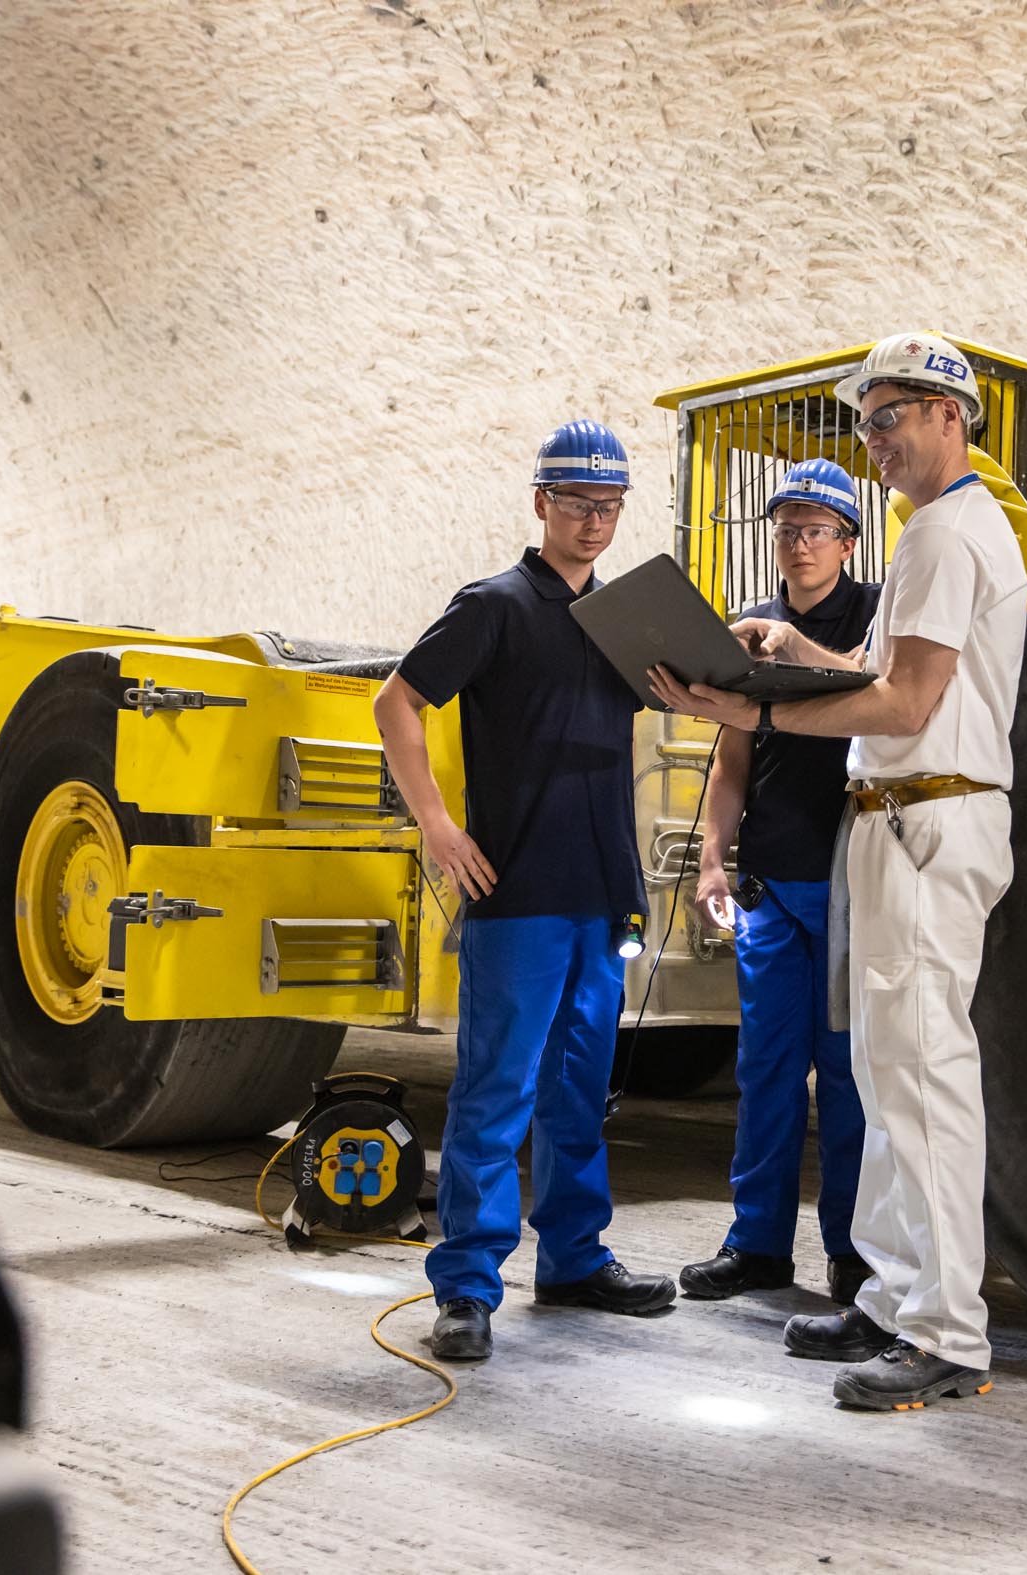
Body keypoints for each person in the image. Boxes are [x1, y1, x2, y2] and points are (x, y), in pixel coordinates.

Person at [649, 333, 1026, 1411]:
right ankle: (893, 1297)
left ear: (953, 416)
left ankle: (947, 1336)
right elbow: (888, 671)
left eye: (892, 413)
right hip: (894, 821)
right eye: (865, 421)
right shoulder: (931, 535)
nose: (875, 438)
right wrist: (799, 659)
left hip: (927, 818)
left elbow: (907, 707)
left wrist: (750, 707)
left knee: (920, 1083)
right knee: (883, 1076)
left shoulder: (950, 535)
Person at [373, 418, 678, 1364]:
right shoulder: (495, 606)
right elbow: (397, 702)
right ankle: (467, 1284)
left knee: (579, 1089)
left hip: (601, 892)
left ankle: (576, 1257)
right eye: (580, 502)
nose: (595, 520)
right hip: (518, 889)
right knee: (496, 1088)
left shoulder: (624, 623)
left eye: (611, 506)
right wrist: (436, 822)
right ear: (541, 502)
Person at [678, 459, 880, 1306]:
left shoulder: (873, 611)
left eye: (816, 529)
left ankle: (853, 1251)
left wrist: (800, 650)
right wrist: (715, 854)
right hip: (769, 878)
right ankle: (757, 1245)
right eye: (787, 529)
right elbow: (732, 757)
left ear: (847, 540)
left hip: (848, 876)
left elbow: (879, 683)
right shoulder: (749, 624)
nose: (799, 544)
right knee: (765, 1071)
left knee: (845, 1075)